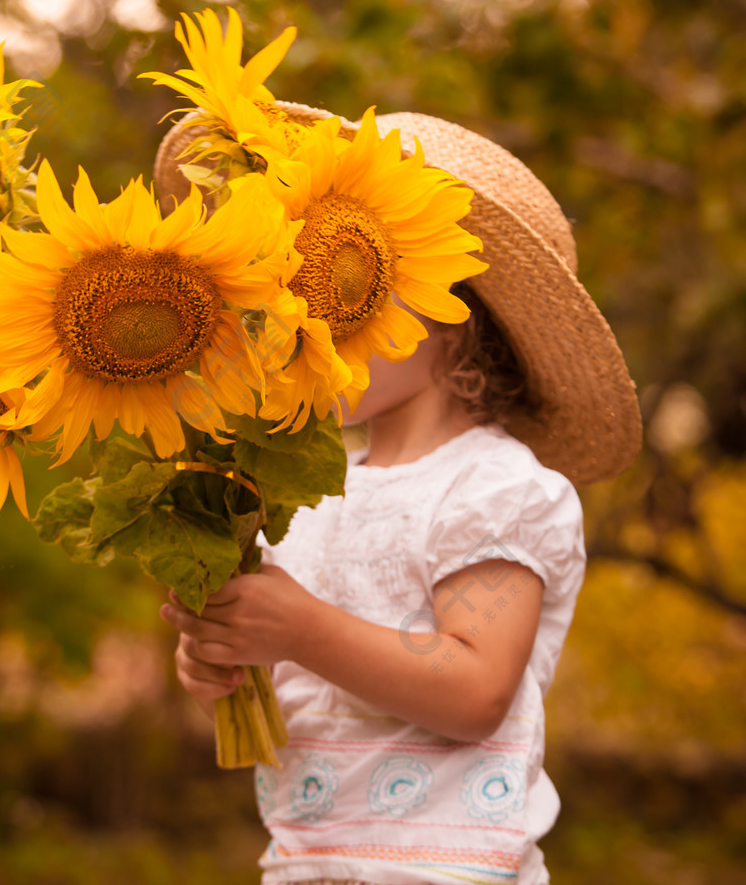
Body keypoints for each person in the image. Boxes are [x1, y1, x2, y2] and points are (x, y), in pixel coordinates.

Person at [159, 111, 642, 885]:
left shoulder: (497, 489)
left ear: (452, 316)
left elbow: (477, 689)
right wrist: (224, 654)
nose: (303, 319)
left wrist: (301, 630)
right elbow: (302, 681)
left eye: (344, 288)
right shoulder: (304, 493)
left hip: (451, 870)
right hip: (305, 863)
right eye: (294, 290)